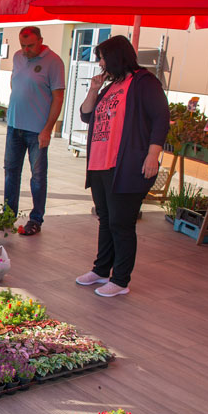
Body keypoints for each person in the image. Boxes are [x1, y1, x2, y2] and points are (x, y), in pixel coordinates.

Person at [76, 35, 168, 298]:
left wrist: (153, 155)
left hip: (125, 165)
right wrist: (94, 89)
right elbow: (86, 115)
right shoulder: (111, 86)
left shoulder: (143, 82)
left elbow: (161, 117)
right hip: (100, 164)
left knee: (121, 223)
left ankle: (120, 280)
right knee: (106, 220)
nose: (100, 63)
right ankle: (101, 270)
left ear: (116, 57)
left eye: (103, 58)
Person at [3, 26, 66, 237]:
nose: (26, 50)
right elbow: (16, 85)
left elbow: (58, 98)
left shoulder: (54, 62)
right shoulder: (17, 57)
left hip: (37, 130)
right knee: (11, 172)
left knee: (38, 176)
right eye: (23, 45)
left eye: (30, 45)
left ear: (41, 40)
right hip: (14, 126)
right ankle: (7, 215)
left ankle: (36, 219)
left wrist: (48, 129)